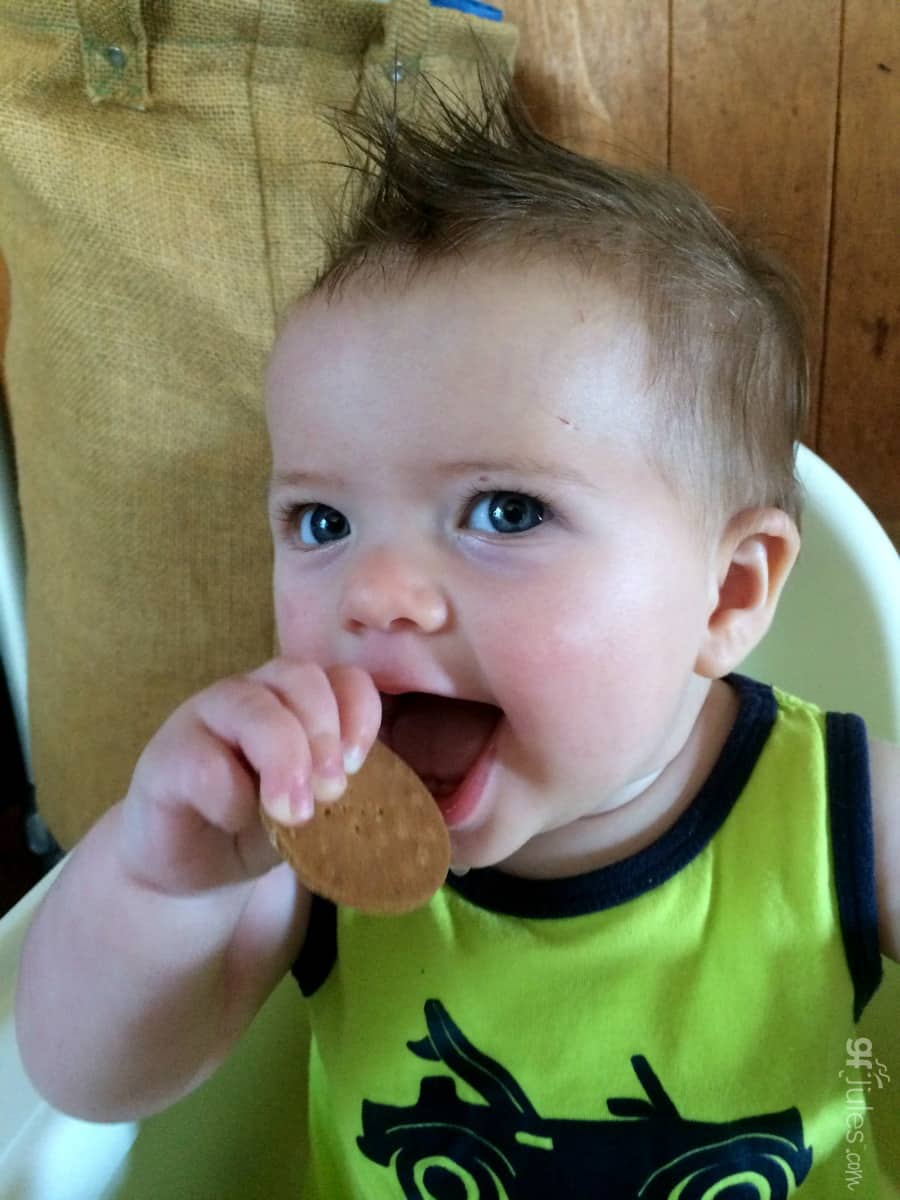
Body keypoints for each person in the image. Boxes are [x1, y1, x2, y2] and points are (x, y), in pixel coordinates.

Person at [15, 73, 900, 1194]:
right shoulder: (302, 846)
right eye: (323, 522)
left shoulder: (846, 817)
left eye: (506, 511)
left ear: (726, 594)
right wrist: (163, 886)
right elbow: (93, 1086)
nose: (375, 592)